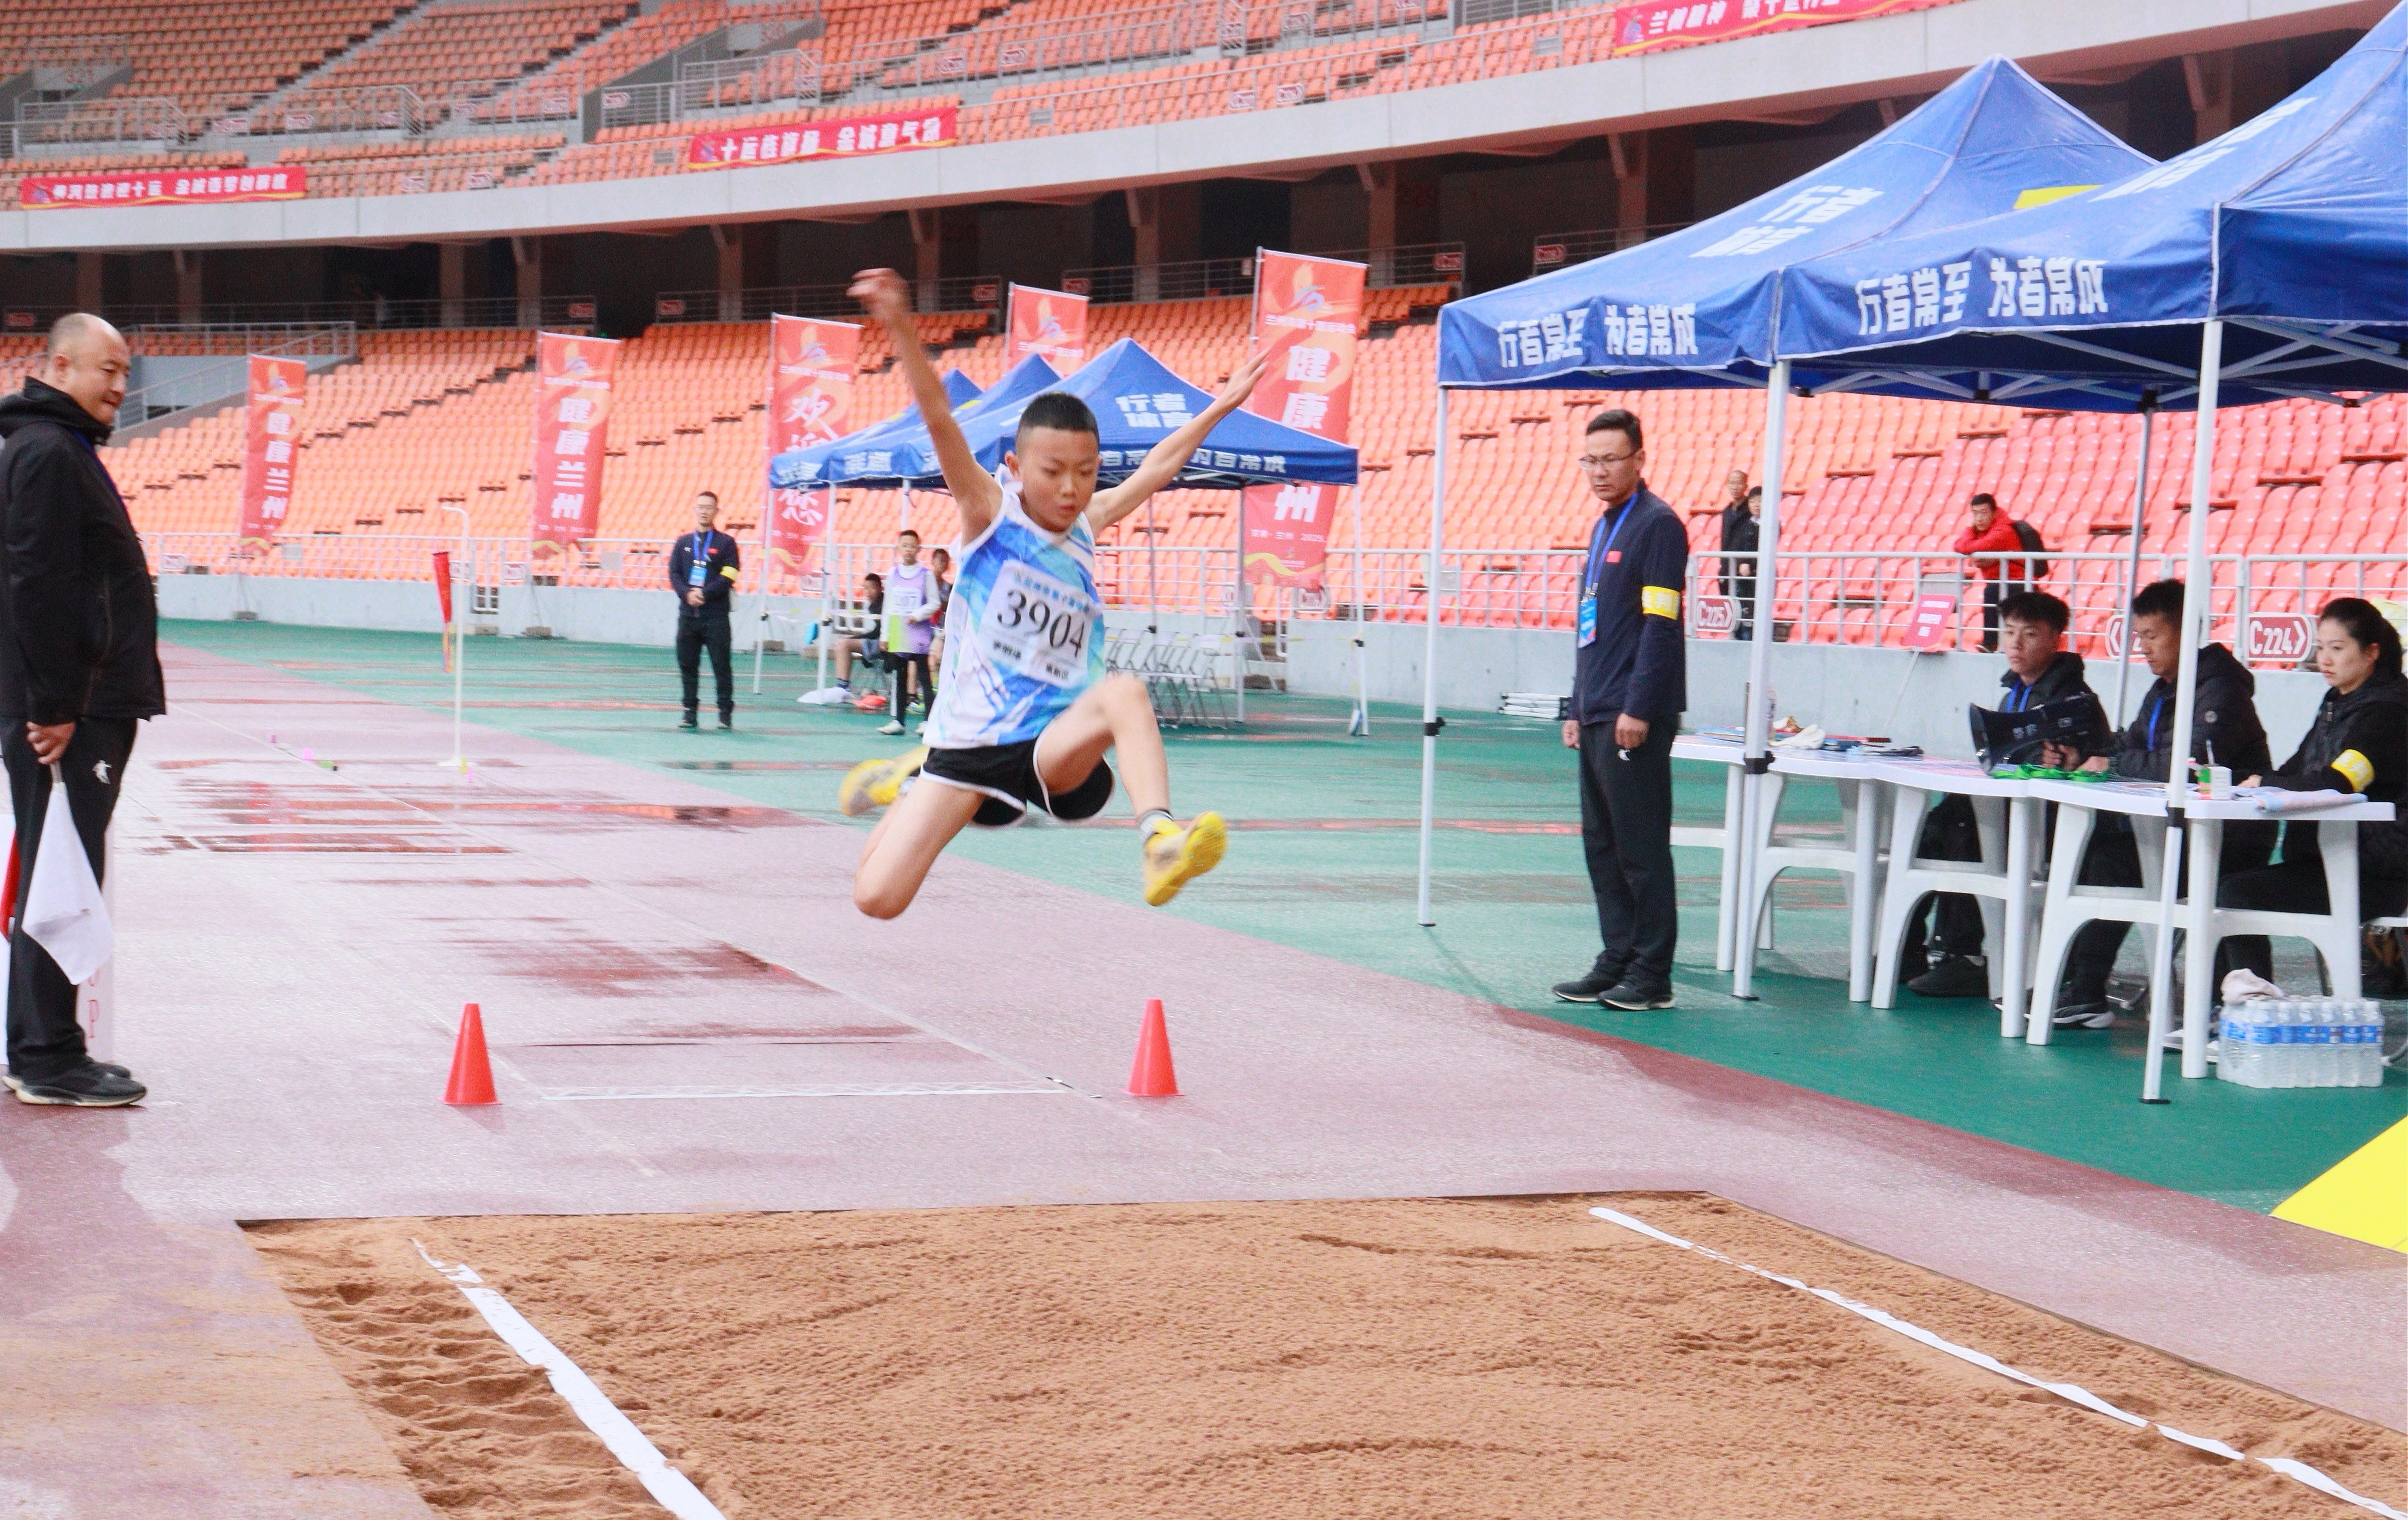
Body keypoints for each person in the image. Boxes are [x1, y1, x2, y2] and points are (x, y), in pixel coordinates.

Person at [833, 267, 1268, 917]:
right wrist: (899, 325)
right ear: (1013, 468)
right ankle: (914, 777)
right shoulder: (989, 513)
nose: (1071, 489)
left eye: (1086, 472)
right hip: (972, 744)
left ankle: (1159, 840)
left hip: (1050, 739)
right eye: (1054, 472)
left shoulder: (1087, 527)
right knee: (877, 897)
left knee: (1123, 691)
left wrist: (1221, 404)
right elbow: (939, 418)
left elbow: (1157, 464)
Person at [0, 313, 159, 1107]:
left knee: (55, 866)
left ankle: (44, 1044)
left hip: (78, 702)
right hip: (71, 710)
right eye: (108, 371)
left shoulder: (53, 448)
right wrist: (56, 704)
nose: (121, 389)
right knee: (61, 870)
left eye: (127, 374)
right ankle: (45, 1055)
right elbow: (38, 583)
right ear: (60, 364)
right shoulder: (49, 453)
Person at [2041, 579, 2275, 1026]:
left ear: (2185, 632)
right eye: (2139, 637)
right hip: (2179, 835)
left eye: (2152, 637)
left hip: (2230, 841)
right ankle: (2086, 992)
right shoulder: (2164, 688)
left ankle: (2224, 1006)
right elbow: (2132, 743)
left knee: (2114, 862)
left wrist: (2108, 764)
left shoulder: (2220, 690)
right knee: (2105, 859)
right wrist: (2085, 757)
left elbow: (2189, 764)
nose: (2143, 648)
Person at [1549, 408, 1688, 1012]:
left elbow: (1660, 625)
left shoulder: (1656, 526)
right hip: (1598, 709)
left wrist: (1639, 706)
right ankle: (1617, 959)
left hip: (1633, 714)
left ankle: (1651, 973)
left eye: (1610, 459)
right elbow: (1590, 627)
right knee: (1601, 845)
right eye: (1590, 460)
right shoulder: (1605, 526)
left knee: (1640, 848)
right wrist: (1576, 706)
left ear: (1639, 460)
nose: (1599, 471)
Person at [1907, 589, 2100, 997]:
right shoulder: (2013, 693)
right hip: (2014, 814)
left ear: (2055, 640)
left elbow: (2081, 760)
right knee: (1940, 822)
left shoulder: (2075, 701)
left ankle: (1968, 956)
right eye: (2009, 631)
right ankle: (1911, 950)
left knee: (1963, 824)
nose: (2015, 643)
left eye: (2029, 633)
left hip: (2051, 827)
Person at [2216, 598, 2408, 984]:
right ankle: (2226, 1007)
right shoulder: (2335, 704)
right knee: (2222, 888)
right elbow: (2294, 771)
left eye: (2337, 649)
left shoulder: (2388, 714)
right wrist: (2240, 779)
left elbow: (2339, 782)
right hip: (2327, 861)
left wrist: (2266, 783)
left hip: (2376, 875)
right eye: (2321, 648)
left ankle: (2253, 1008)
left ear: (2372, 653)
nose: (2325, 658)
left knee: (2234, 894)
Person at [668, 491, 738, 731]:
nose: (704, 511)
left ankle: (725, 712)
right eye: (700, 506)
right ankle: (689, 712)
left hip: (716, 616)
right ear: (695, 509)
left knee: (721, 665)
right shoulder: (683, 543)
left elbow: (730, 575)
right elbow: (674, 573)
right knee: (687, 664)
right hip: (688, 616)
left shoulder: (726, 543)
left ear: (716, 511)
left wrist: (705, 594)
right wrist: (687, 593)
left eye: (709, 507)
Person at [878, 529, 938, 737]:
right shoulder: (893, 574)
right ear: (898, 548)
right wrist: (885, 635)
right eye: (905, 546)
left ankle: (927, 721)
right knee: (900, 676)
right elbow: (888, 606)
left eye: (912, 546)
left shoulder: (926, 575)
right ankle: (898, 721)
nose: (908, 550)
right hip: (899, 632)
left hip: (919, 633)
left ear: (919, 549)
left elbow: (934, 602)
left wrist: (918, 614)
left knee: (924, 677)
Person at [1953, 493, 2027, 653]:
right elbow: (1959, 545)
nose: (1979, 518)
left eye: (1984, 513)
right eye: (1976, 513)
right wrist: (1971, 528)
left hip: (2020, 582)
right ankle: (1991, 642)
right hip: (2001, 582)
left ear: (1994, 513)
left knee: (1992, 592)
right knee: (1993, 591)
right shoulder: (1982, 529)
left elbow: (1970, 547)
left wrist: (1971, 533)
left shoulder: (2003, 530)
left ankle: (1990, 643)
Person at [1718, 476, 1760, 642]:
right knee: (1732, 613)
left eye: (1739, 483)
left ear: (1745, 486)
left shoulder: (1749, 512)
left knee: (1746, 614)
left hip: (1745, 570)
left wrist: (1746, 563)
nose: (1735, 487)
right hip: (1728, 567)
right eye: (1732, 483)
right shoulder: (1727, 511)